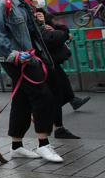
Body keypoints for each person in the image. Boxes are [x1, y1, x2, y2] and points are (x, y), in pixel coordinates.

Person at [0, 0, 63, 163]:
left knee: (22, 99)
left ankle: (16, 146)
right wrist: (15, 56)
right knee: (43, 96)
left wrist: (40, 23)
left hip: (28, 56)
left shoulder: (21, 2)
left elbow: (28, 32)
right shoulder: (1, 4)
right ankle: (43, 144)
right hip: (17, 60)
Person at [34, 8, 82, 139]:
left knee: (64, 92)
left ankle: (55, 123)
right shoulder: (33, 17)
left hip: (51, 62)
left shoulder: (42, 17)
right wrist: (63, 33)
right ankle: (50, 122)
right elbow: (50, 38)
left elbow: (56, 29)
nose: (39, 1)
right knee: (56, 95)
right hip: (45, 63)